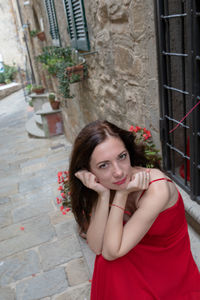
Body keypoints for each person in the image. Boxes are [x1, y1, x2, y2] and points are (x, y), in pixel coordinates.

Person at [68, 120, 200, 300]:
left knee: (111, 262)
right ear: (89, 171)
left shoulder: (157, 188)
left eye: (122, 157)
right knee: (107, 265)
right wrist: (103, 195)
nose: (119, 172)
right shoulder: (108, 185)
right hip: (137, 254)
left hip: (168, 265)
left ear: (128, 152)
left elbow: (111, 252)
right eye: (103, 165)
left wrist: (121, 194)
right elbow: (97, 247)